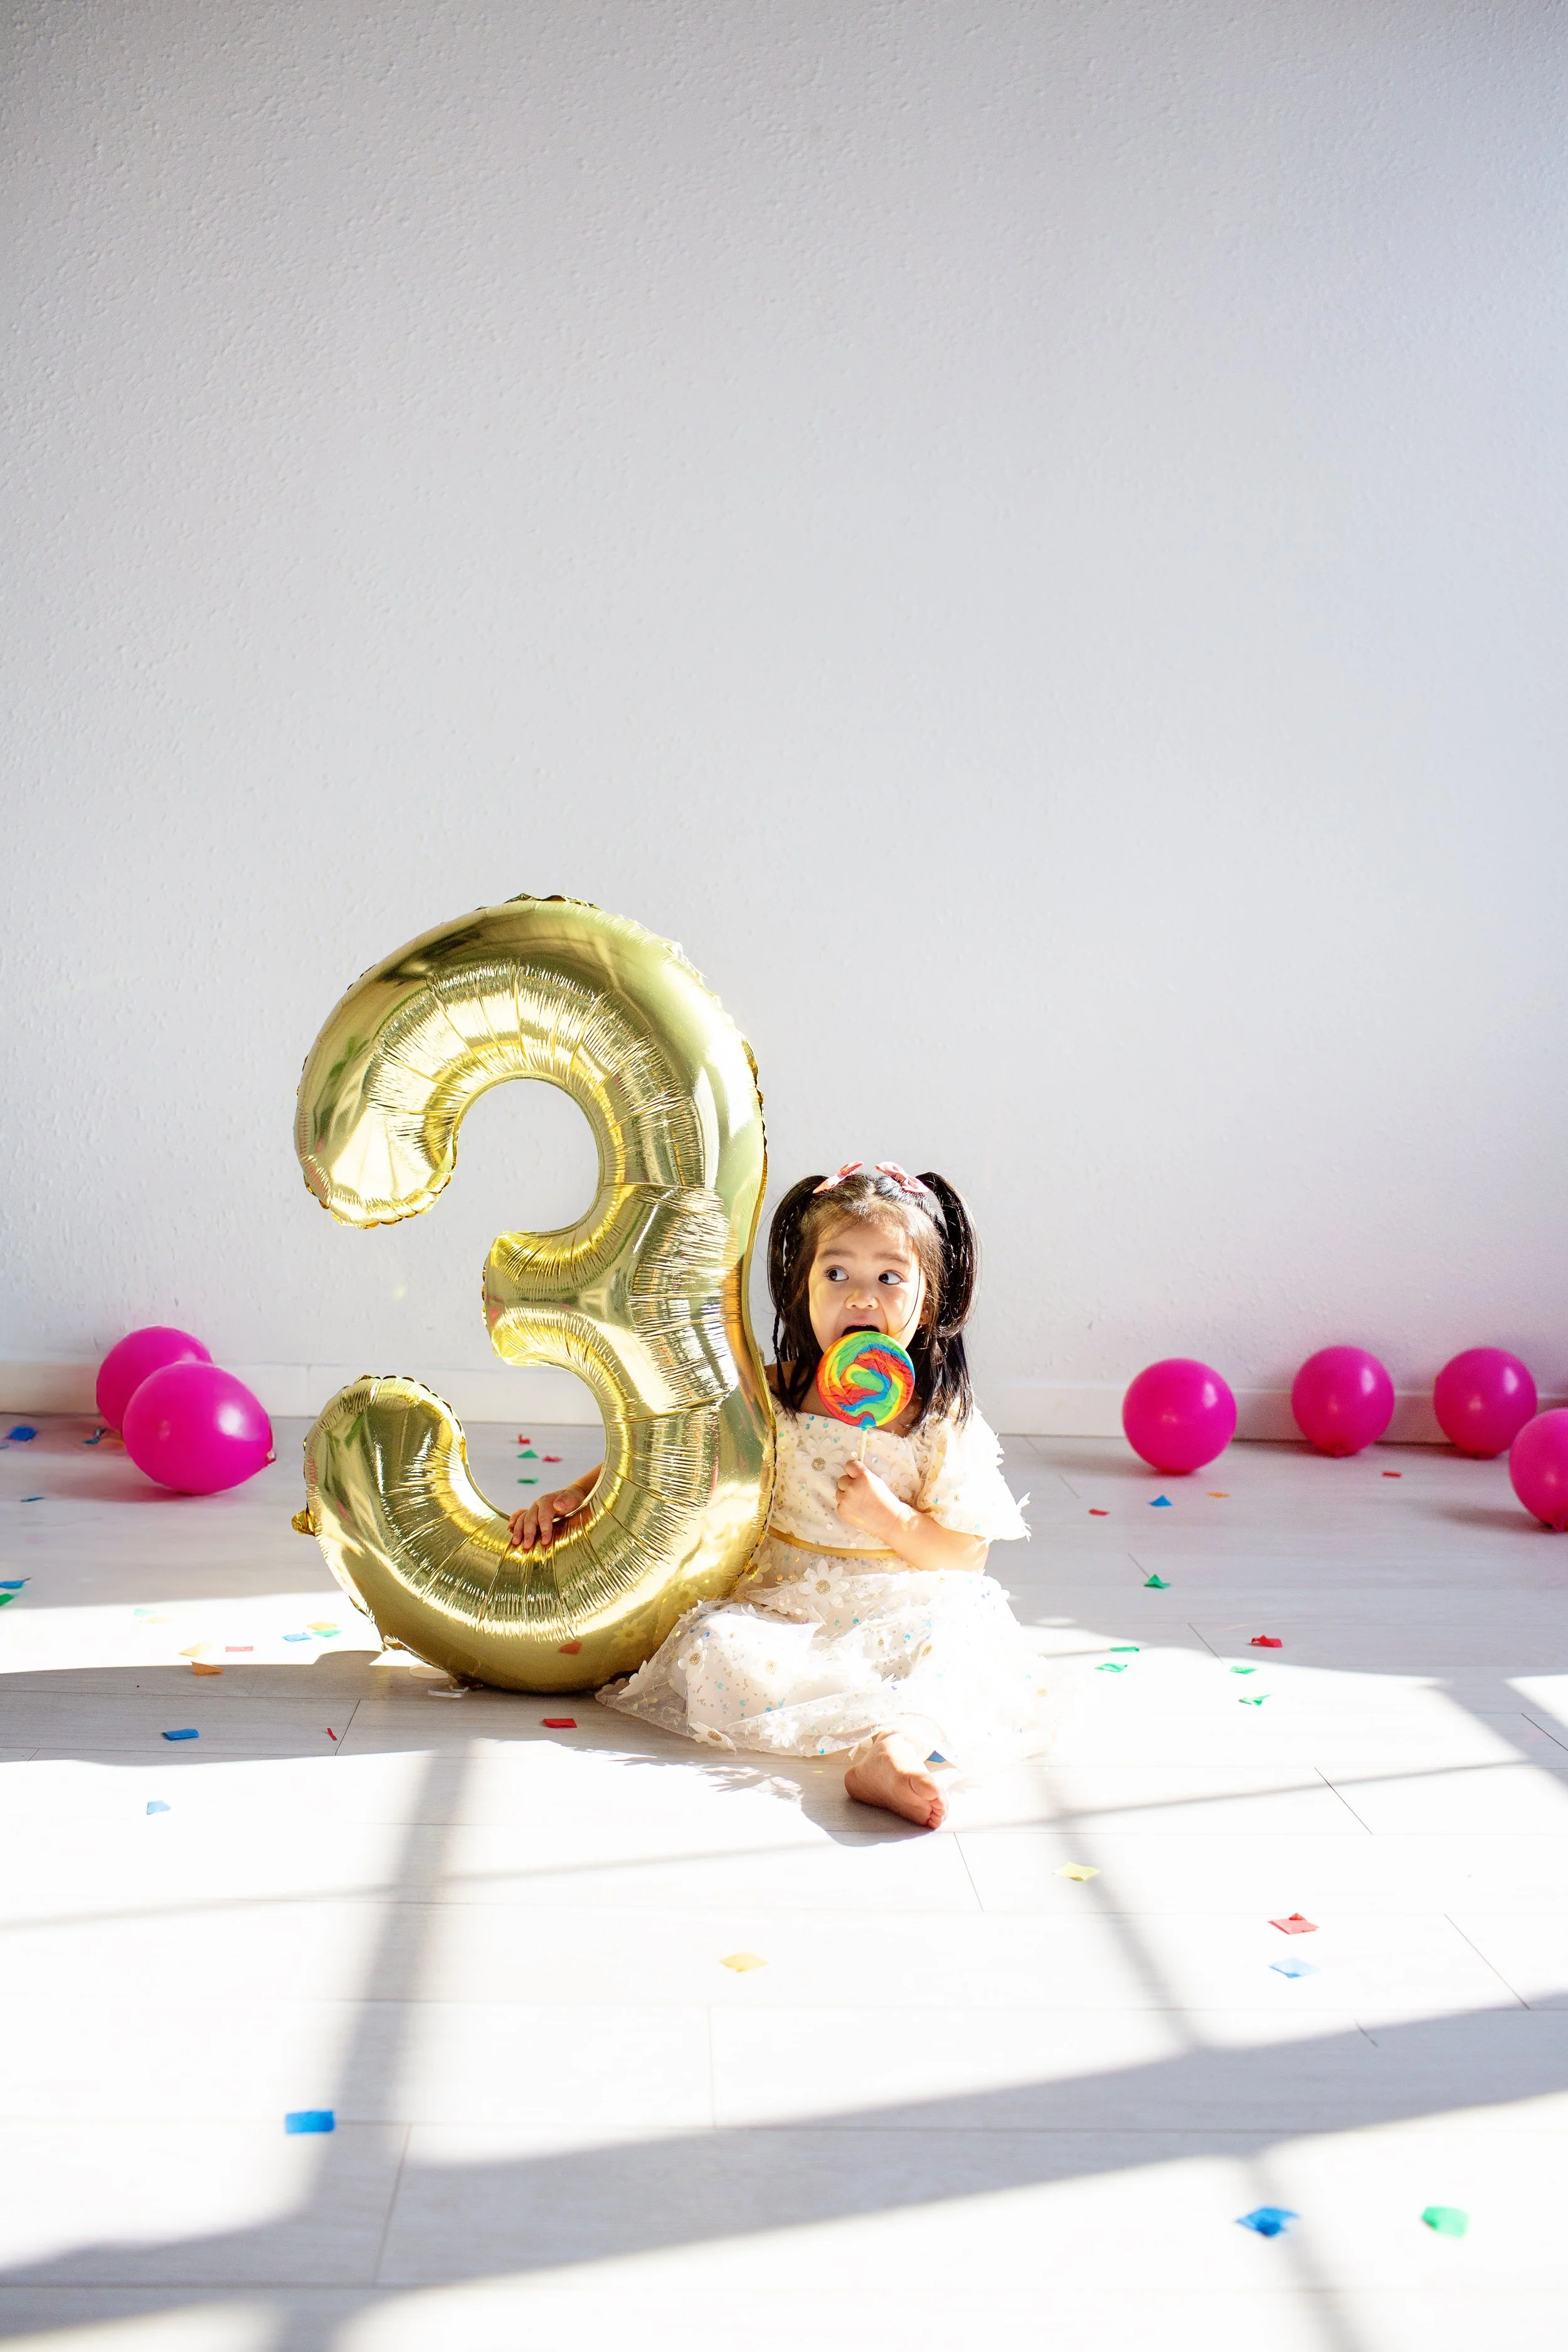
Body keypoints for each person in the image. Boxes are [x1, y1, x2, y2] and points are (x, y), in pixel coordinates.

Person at [507, 1163, 1045, 1829]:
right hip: (783, 1603)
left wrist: (894, 1519)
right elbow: (676, 1449)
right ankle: (879, 1734)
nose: (860, 1298)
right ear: (802, 1290)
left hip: (903, 1601)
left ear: (927, 1301)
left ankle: (893, 1749)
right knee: (720, 1643)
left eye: (889, 1278)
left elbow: (966, 1556)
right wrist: (580, 1493)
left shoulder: (938, 1419)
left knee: (964, 1636)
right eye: (836, 1273)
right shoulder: (772, 1392)